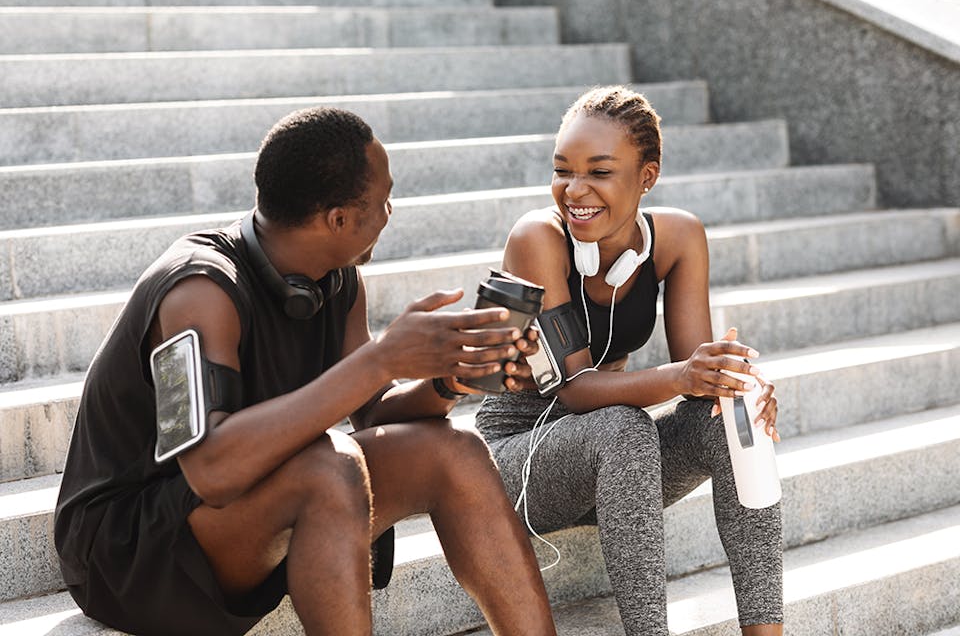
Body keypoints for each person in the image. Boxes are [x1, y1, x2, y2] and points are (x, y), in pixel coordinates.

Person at [54, 107, 557, 636]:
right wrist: (380, 358)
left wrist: (446, 378)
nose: (391, 211)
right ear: (337, 219)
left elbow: (372, 413)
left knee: (454, 451)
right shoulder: (198, 293)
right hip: (129, 551)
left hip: (250, 505)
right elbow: (210, 469)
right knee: (328, 466)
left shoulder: (337, 282)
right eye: (383, 200)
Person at [475, 86, 784, 635]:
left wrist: (733, 385)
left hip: (619, 474)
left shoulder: (680, 236)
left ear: (647, 176)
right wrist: (680, 375)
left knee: (729, 425)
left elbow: (696, 385)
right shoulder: (537, 238)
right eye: (562, 170)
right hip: (518, 462)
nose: (575, 190)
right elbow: (571, 390)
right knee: (623, 427)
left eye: (599, 172)